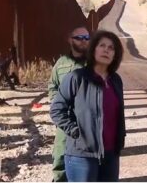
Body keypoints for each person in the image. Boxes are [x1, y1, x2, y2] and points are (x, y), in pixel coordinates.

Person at [50, 30, 126, 182]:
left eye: (111, 48)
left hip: (110, 155)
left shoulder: (116, 80)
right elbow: (57, 109)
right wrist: (76, 132)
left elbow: (118, 115)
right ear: (93, 49)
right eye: (102, 45)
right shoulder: (77, 77)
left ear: (115, 55)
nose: (106, 50)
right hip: (82, 156)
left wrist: (120, 138)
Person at [48, 26, 90, 182]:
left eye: (86, 38)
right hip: (65, 119)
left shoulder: (94, 63)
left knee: (88, 159)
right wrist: (55, 103)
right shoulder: (61, 63)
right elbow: (52, 86)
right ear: (70, 40)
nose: (83, 41)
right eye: (79, 38)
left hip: (87, 119)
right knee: (60, 155)